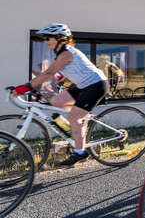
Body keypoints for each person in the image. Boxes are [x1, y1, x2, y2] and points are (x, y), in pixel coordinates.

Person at [12, 23, 108, 166]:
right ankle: (76, 125)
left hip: (96, 86)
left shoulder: (66, 53)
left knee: (74, 117)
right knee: (56, 101)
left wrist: (25, 87)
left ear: (60, 38)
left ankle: (80, 152)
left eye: (48, 38)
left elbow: (48, 73)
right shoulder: (60, 53)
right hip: (83, 86)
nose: (45, 41)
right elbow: (60, 72)